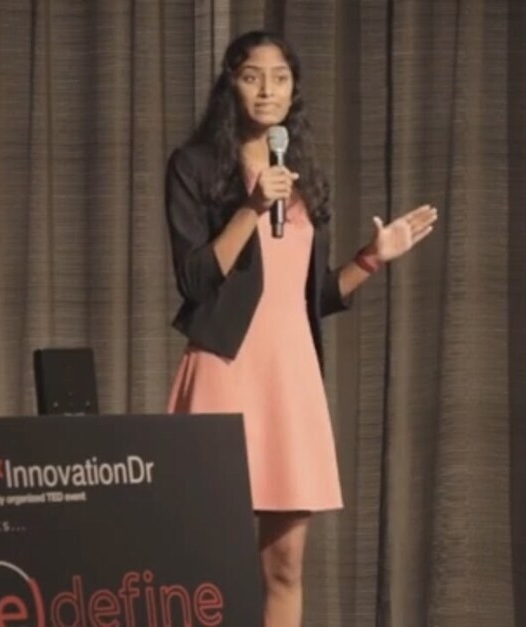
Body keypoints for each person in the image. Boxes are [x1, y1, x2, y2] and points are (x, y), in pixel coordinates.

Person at [163, 30, 437, 627]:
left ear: (294, 91)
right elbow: (195, 279)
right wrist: (252, 207)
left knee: (285, 567)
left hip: (290, 378)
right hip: (226, 369)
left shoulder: (302, 175)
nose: (267, 90)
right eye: (252, 76)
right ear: (230, 85)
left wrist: (372, 258)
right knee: (210, 567)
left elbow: (310, 298)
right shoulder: (195, 166)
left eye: (281, 78)